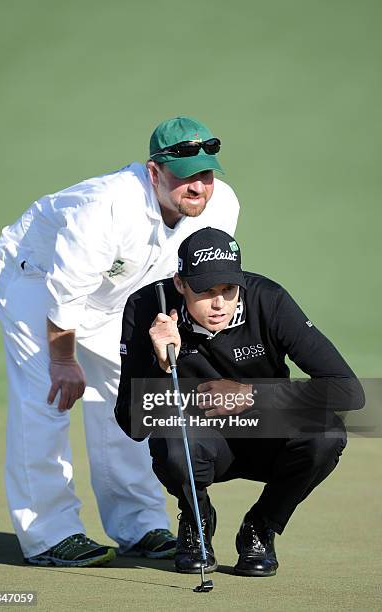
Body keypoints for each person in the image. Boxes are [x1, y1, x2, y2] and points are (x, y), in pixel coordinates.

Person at [0, 117, 240, 566]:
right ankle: (49, 535)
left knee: (130, 396)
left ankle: (139, 525)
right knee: (48, 398)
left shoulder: (222, 207)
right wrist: (63, 361)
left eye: (206, 174)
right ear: (154, 173)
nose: (198, 186)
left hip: (118, 292)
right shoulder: (106, 208)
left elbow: (194, 280)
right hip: (35, 278)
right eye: (184, 175)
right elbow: (64, 292)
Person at [115, 227, 365, 576]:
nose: (219, 303)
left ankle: (261, 526)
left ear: (241, 282)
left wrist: (253, 395)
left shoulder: (269, 300)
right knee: (171, 440)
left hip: (266, 434)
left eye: (229, 290)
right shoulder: (146, 309)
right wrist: (159, 363)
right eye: (204, 291)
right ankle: (197, 519)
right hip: (199, 442)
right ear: (180, 283)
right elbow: (132, 425)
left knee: (327, 434)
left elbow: (348, 391)